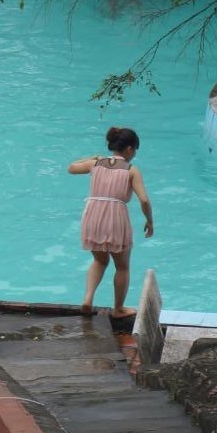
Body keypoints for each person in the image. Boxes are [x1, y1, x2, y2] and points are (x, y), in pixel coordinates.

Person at [68, 125, 154, 320]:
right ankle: (118, 308)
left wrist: (91, 157)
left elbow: (71, 167)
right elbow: (144, 200)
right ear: (130, 149)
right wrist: (149, 221)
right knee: (122, 266)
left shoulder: (95, 164)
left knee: (99, 260)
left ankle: (88, 298)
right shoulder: (131, 170)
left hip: (93, 215)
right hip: (116, 216)